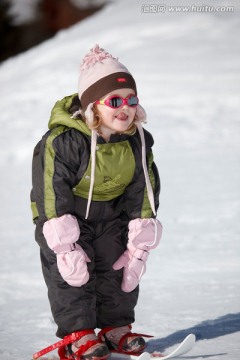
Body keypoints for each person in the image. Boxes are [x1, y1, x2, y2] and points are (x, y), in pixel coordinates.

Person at [31, 44, 162, 360]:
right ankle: (79, 334)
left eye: (132, 100)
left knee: (119, 269)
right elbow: (50, 189)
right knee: (73, 273)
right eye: (115, 101)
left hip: (111, 215)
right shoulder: (63, 142)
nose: (125, 108)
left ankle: (115, 328)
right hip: (64, 216)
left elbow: (143, 186)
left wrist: (139, 239)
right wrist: (64, 243)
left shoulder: (135, 140)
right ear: (92, 106)